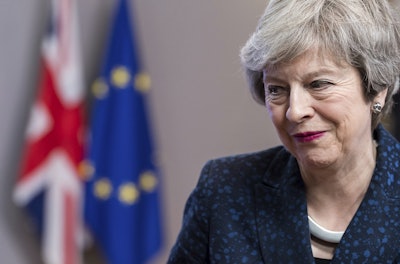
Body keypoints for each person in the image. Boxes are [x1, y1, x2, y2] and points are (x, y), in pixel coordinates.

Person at [168, 0, 400, 262]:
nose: (295, 111)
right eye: (277, 89)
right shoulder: (223, 190)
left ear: (377, 88)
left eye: (318, 84)